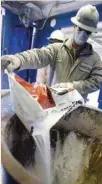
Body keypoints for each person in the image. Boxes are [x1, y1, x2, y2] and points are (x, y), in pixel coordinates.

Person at [1, 4, 102, 100]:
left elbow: (98, 81)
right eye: (81, 29)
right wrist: (19, 60)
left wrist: (73, 87)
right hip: (53, 102)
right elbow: (38, 55)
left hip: (76, 107)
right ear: (75, 26)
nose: (83, 34)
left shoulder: (94, 59)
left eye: (87, 32)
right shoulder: (57, 49)